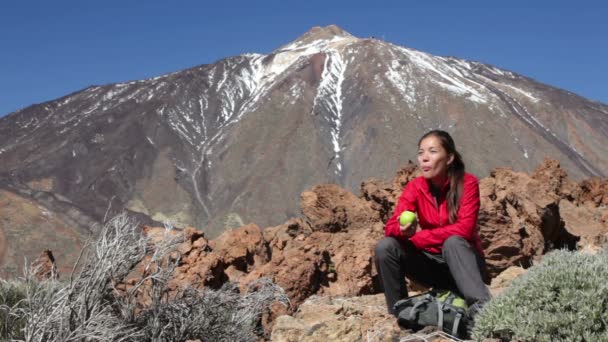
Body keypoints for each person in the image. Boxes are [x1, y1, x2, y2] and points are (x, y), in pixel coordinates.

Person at [375, 129, 491, 318]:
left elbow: (464, 229)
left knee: (453, 242)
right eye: (421, 153)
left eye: (432, 151)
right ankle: (401, 312)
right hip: (434, 267)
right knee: (385, 247)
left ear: (450, 158)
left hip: (465, 263)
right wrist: (404, 231)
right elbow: (390, 227)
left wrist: (419, 238)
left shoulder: (467, 183)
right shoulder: (415, 187)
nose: (424, 159)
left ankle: (482, 311)